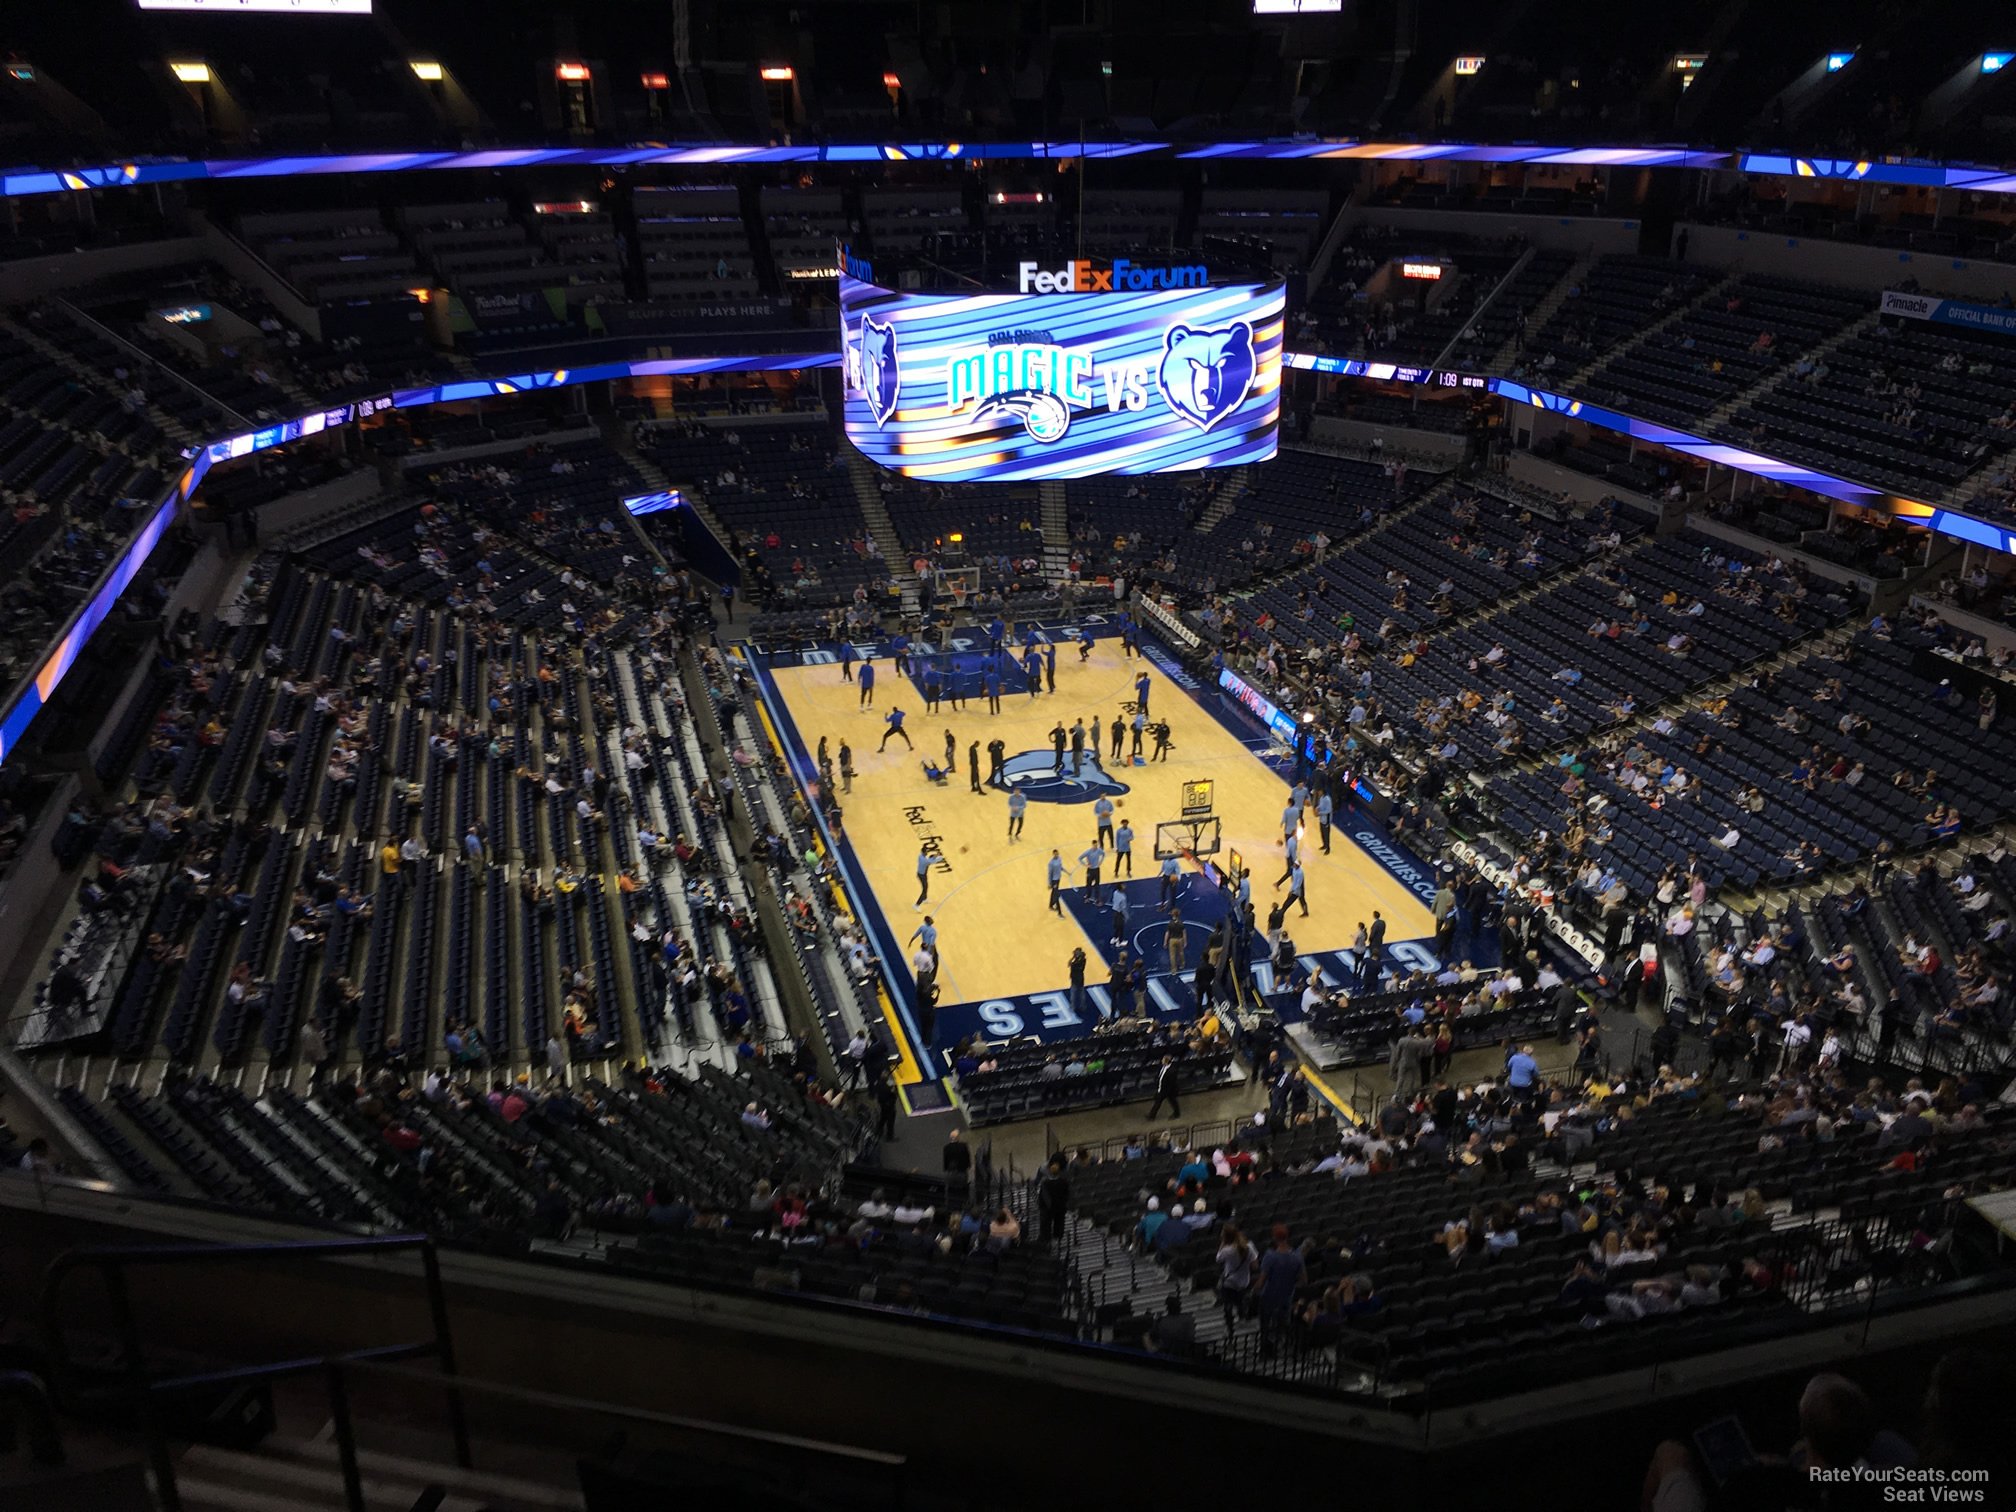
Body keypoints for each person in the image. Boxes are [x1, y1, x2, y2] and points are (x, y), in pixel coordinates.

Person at [942, 1128, 973, 1203]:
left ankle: (953, 1203)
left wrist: (946, 1169)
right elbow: (967, 1157)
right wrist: (969, 1166)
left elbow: (945, 1160)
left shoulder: (946, 1148)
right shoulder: (963, 1146)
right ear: (958, 1137)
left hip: (951, 1172)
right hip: (962, 1171)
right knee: (963, 1188)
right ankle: (964, 1202)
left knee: (951, 1189)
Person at [1149, 1054, 1181, 1119]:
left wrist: (1162, 1091)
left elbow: (1171, 1083)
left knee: (1172, 1102)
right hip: (1162, 1089)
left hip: (1168, 1090)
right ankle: (1151, 1116)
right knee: (1159, 1102)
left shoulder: (1172, 1071)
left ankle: (1177, 1114)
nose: (1161, 1060)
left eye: (1163, 1059)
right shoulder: (1162, 1066)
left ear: (1166, 1061)